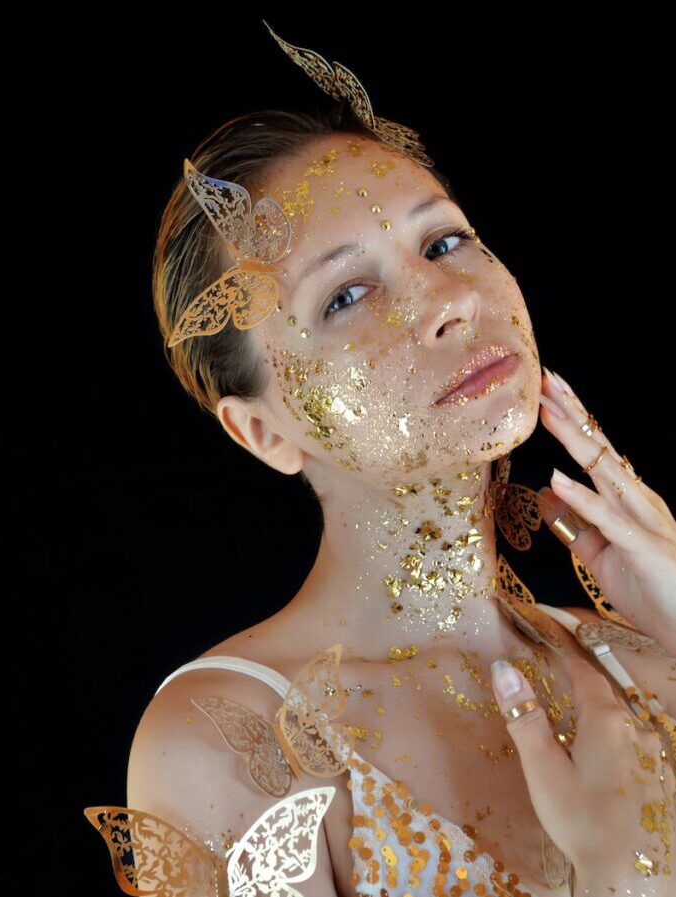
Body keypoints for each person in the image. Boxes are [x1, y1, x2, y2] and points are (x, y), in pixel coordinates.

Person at [116, 104, 676, 895]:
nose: (449, 301)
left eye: (444, 242)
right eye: (345, 295)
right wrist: (624, 878)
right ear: (261, 432)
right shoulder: (232, 740)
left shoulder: (651, 652)